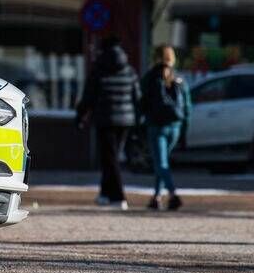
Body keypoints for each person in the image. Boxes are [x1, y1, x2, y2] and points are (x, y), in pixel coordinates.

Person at [77, 37, 141, 210]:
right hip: (126, 120)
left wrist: (80, 115)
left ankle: (119, 196)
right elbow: (137, 97)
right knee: (110, 157)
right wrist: (138, 119)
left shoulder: (99, 69)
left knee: (110, 158)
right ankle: (105, 194)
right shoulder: (129, 70)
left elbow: (88, 95)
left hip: (105, 119)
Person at [140, 44, 192, 211]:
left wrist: (138, 123)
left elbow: (141, 103)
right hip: (175, 126)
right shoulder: (180, 79)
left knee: (160, 163)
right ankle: (156, 197)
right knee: (162, 164)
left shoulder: (150, 78)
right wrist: (184, 128)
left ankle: (172, 194)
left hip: (156, 126)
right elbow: (187, 107)